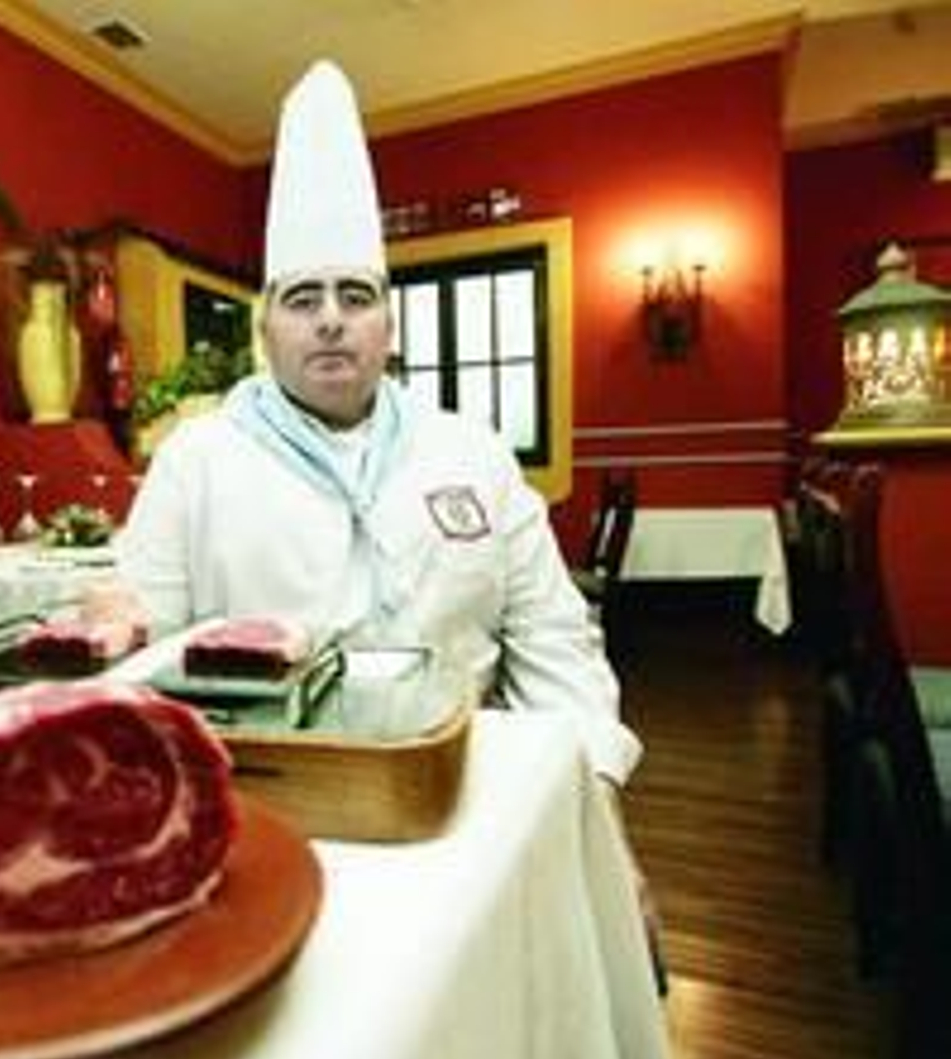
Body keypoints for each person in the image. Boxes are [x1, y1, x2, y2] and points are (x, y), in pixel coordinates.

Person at [106, 59, 641, 788]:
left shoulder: (472, 453)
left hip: (469, 772)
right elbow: (144, 654)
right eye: (302, 299)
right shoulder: (195, 460)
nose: (330, 319)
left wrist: (590, 793)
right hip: (265, 787)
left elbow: (553, 639)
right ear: (265, 328)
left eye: (355, 296)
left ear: (390, 325)